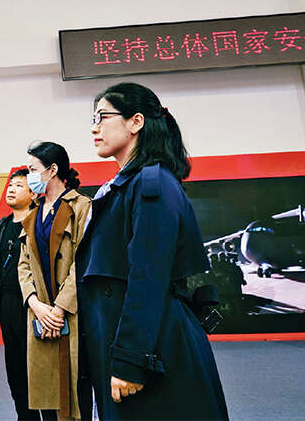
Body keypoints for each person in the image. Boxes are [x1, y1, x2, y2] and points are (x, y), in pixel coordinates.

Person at [77, 82, 228, 420]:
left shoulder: (152, 185)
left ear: (136, 122)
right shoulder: (127, 185)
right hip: (129, 343)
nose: (94, 128)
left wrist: (130, 360)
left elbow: (148, 278)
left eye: (102, 117)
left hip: (154, 351)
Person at [18, 141, 91, 420]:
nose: (29, 176)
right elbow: (23, 265)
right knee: (46, 395)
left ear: (52, 170)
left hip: (69, 314)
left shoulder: (82, 207)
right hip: (40, 314)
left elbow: (82, 263)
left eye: (32, 169)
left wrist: (58, 310)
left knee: (75, 392)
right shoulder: (33, 213)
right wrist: (35, 304)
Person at [0, 168, 38, 420]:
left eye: (19, 185)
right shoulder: (2, 225)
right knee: (15, 368)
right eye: (11, 184)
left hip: (34, 305)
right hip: (8, 304)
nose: (11, 189)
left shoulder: (39, 222)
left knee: (38, 367)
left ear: (33, 193)